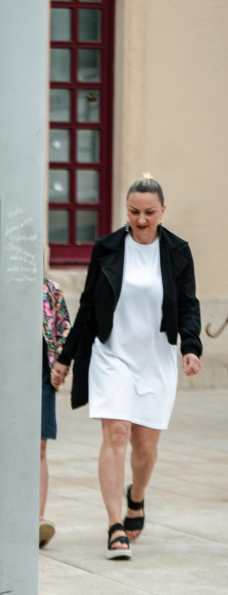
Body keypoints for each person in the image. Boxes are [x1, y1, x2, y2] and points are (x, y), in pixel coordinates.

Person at [52, 176, 202, 560]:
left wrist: (191, 347)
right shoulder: (107, 248)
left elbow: (187, 303)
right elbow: (87, 306)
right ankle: (114, 524)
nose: (140, 219)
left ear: (162, 211)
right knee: (116, 434)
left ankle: (136, 497)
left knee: (145, 446)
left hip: (156, 358)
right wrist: (65, 359)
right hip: (112, 354)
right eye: (134, 211)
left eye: (149, 212)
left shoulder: (178, 251)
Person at [0, 278, 70, 549]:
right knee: (4, 446)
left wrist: (62, 364)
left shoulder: (50, 290)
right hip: (4, 375)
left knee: (38, 446)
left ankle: (37, 519)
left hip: (41, 375)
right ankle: (3, 517)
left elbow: (63, 329)